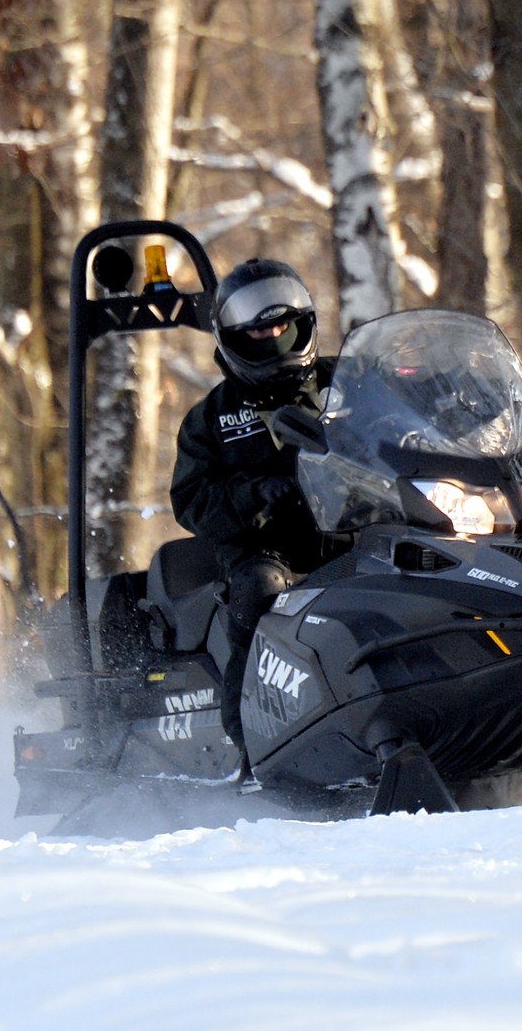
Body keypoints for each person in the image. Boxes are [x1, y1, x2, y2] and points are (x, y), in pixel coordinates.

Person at [169, 258, 344, 774]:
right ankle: (252, 738)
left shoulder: (350, 380)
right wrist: (256, 495)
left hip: (354, 527)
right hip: (266, 548)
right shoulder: (212, 417)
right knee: (259, 586)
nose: (273, 338)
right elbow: (191, 499)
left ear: (303, 325)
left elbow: (401, 425)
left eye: (282, 327)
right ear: (233, 340)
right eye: (258, 332)